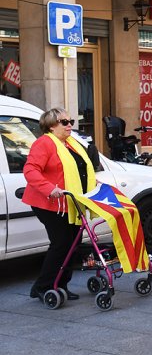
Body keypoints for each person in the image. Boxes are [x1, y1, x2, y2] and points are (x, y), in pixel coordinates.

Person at [23, 108, 96, 302]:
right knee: (62, 243)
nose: (70, 124)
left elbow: (82, 170)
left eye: (70, 120)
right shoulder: (44, 143)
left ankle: (60, 285)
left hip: (71, 202)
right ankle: (43, 286)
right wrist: (49, 188)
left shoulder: (71, 144)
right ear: (51, 126)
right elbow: (30, 170)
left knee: (74, 244)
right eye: (64, 122)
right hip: (49, 203)